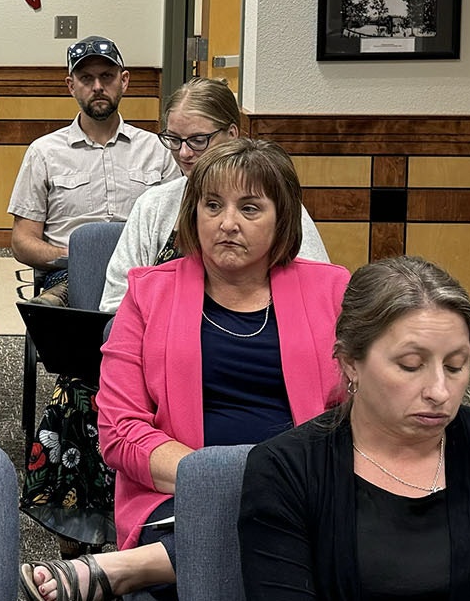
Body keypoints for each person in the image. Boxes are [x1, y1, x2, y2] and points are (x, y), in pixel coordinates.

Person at [23, 138, 349, 601]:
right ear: (192, 213)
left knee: (292, 530)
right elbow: (120, 429)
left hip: (306, 487)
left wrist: (282, 480)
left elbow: (359, 415)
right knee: (266, 535)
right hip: (176, 491)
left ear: (283, 220)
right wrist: (220, 480)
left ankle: (131, 569)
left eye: (250, 209)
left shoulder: (333, 292)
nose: (227, 223)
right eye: (212, 205)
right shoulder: (147, 294)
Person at [239, 256, 470, 601]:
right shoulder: (286, 471)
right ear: (350, 362)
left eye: (455, 366)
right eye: (411, 365)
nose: (439, 391)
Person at [100, 77, 329, 313]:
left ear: (232, 135)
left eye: (198, 140)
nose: (184, 153)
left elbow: (316, 291)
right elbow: (115, 302)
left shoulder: (273, 201)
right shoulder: (153, 204)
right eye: (174, 140)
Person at [8, 35, 179, 303]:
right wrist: (77, 256)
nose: (98, 86)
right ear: (71, 86)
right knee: (64, 305)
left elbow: (178, 226)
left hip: (144, 274)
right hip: (69, 273)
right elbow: (22, 241)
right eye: (86, 79)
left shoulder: (158, 150)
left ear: (124, 80)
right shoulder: (44, 152)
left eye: (107, 76)